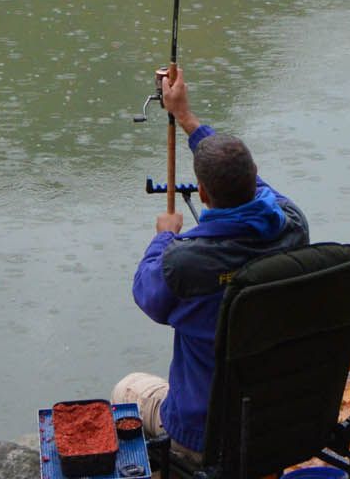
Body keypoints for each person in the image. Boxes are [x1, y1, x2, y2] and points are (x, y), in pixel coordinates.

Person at [114, 67, 309, 471]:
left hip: (205, 436)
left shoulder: (185, 263)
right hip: (280, 423)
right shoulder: (292, 225)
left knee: (126, 389)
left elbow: (146, 295)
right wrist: (187, 119)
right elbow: (258, 189)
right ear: (256, 181)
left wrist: (164, 237)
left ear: (200, 193)